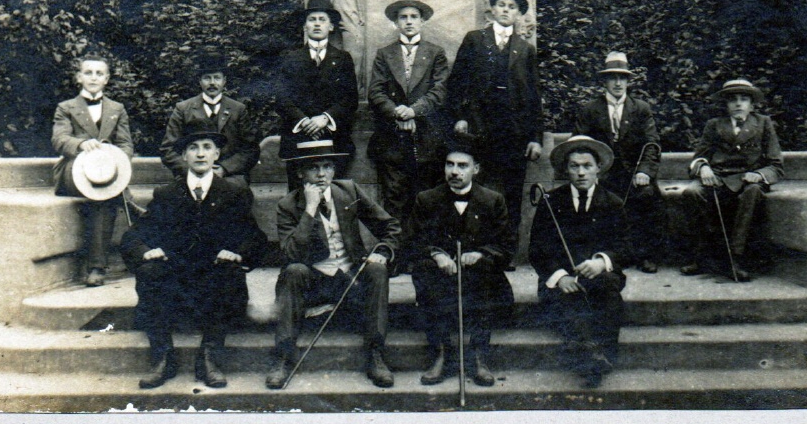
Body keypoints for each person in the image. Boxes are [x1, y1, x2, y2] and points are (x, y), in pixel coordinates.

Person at [121, 129, 266, 389]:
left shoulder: (234, 193)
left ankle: (209, 357)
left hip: (215, 280)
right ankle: (163, 357)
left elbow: (254, 237)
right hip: (178, 283)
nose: (200, 153)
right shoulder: (167, 194)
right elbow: (134, 236)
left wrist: (237, 252)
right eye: (193, 148)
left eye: (207, 147)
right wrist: (146, 251)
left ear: (217, 154)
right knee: (150, 271)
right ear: (184, 156)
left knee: (229, 271)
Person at [265, 140, 401, 390]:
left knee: (377, 269)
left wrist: (382, 250)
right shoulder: (288, 205)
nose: (321, 174)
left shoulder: (348, 191)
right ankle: (283, 356)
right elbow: (292, 253)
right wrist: (310, 209)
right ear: (300, 173)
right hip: (314, 284)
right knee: (294, 271)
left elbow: (390, 227)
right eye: (313, 167)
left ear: (335, 170)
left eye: (327, 167)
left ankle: (375, 353)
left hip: (351, 279)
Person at [409, 136, 515, 387]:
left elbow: (507, 246)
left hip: (479, 278)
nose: (454, 171)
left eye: (462, 165)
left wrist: (481, 253)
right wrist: (437, 254)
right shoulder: (427, 199)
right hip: (442, 277)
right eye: (449, 164)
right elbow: (413, 241)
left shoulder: (493, 200)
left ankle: (478, 356)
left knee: (487, 269)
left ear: (476, 169)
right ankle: (442, 354)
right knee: (424, 270)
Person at [529, 135, 631, 388]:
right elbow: (537, 250)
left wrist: (601, 261)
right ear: (566, 169)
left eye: (587, 166)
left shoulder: (613, 203)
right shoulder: (551, 202)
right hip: (561, 283)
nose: (581, 172)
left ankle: (598, 355)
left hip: (601, 280)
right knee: (570, 299)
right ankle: (594, 357)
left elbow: (627, 247)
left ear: (599, 168)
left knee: (607, 289)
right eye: (575, 166)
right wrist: (560, 276)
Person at [447, 0, 542, 250]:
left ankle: (505, 250)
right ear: (493, 9)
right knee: (475, 190)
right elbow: (457, 83)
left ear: (518, 14)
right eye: (502, 5)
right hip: (478, 129)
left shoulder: (525, 49)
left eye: (512, 7)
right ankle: (473, 247)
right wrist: (460, 116)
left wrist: (535, 137)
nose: (506, 10)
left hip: (513, 132)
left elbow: (534, 96)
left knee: (512, 192)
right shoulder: (475, 39)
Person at [367, 0, 449, 267]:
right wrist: (397, 112)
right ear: (396, 22)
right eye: (403, 17)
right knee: (394, 197)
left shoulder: (435, 53)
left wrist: (415, 110)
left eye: (414, 17)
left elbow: (441, 90)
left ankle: (423, 257)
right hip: (392, 138)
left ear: (423, 21)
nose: (409, 22)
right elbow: (376, 92)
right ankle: (395, 256)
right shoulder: (384, 54)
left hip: (426, 138)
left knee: (424, 196)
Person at [681, 78, 784, 282]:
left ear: (751, 104)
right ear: (726, 105)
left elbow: (776, 165)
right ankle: (702, 256)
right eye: (733, 100)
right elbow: (698, 157)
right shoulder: (714, 125)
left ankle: (735, 258)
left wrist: (759, 174)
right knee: (692, 192)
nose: (738, 104)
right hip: (718, 178)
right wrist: (703, 168)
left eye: (743, 99)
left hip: (748, 179)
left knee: (753, 193)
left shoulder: (763, 123)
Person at [574, 51, 666, 273]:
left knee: (647, 196)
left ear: (628, 81)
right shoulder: (590, 110)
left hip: (633, 174)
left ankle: (644, 255)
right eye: (612, 77)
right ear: (604, 81)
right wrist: (590, 170)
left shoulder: (641, 109)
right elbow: (579, 143)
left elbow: (652, 144)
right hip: (602, 174)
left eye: (622, 78)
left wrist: (644, 171)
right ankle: (603, 255)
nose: (617, 83)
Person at [51, 52, 134, 287]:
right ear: (79, 77)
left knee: (104, 194)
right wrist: (79, 144)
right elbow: (59, 139)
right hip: (73, 170)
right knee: (106, 195)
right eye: (88, 73)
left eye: (99, 73)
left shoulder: (117, 108)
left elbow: (126, 144)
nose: (94, 77)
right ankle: (97, 266)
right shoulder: (66, 107)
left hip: (105, 171)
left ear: (107, 79)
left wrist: (116, 160)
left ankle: (98, 267)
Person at [275, 0, 359, 179]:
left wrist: (325, 118)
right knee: (299, 196)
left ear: (331, 26)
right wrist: (304, 121)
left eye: (322, 20)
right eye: (312, 20)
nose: (317, 24)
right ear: (305, 26)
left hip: (333, 138)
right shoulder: (290, 59)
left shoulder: (343, 59)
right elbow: (282, 99)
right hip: (299, 137)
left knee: (334, 194)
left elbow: (350, 99)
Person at [159, 55, 260, 193]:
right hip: (191, 174)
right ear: (200, 81)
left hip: (229, 176)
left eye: (217, 78)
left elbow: (250, 149)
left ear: (224, 81)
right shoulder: (183, 109)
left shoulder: (238, 109)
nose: (212, 83)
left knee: (238, 197)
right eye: (207, 78)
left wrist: (225, 168)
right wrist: (195, 169)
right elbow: (168, 149)